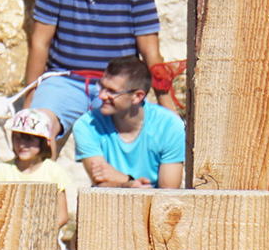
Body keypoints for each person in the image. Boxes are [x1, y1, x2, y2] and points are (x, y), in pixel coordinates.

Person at [20, 0, 162, 132]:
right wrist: (28, 103)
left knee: (125, 136)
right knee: (36, 129)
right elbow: (40, 43)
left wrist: (167, 107)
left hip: (116, 86)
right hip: (63, 81)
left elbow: (151, 54)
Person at [74, 57, 186, 189]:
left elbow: (168, 192)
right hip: (107, 204)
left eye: (112, 91)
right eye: (102, 87)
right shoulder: (87, 125)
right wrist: (128, 183)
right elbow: (100, 181)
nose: (102, 96)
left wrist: (120, 179)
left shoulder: (170, 126)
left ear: (137, 96)